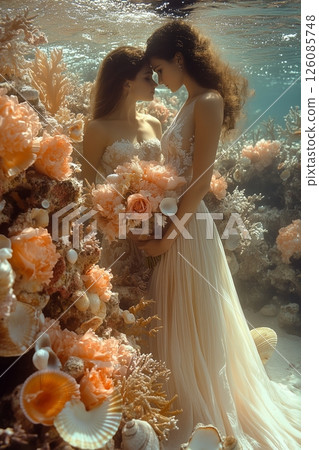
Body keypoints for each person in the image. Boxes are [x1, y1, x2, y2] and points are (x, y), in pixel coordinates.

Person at [137, 20, 301, 449]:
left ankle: (207, 417)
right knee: (176, 315)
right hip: (178, 224)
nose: (158, 79)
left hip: (189, 230)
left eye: (158, 68)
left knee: (195, 318)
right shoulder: (188, 102)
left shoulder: (206, 101)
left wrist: (166, 237)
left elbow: (201, 181)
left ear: (178, 57)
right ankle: (174, 399)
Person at [82, 46, 162, 272]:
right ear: (127, 84)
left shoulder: (154, 124)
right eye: (148, 78)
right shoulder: (98, 128)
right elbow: (86, 190)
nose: (156, 84)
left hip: (157, 231)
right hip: (117, 236)